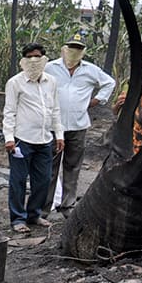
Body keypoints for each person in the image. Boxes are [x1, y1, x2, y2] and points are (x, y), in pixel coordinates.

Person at [43, 32, 115, 213]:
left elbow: (109, 83)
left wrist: (97, 100)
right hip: (53, 125)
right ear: (64, 49)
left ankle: (68, 204)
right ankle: (44, 207)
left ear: (83, 51)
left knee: (72, 166)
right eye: (71, 47)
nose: (74, 51)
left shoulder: (90, 70)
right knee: (50, 167)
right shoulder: (50, 67)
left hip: (78, 125)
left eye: (78, 48)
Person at [2, 43, 64, 233]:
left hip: (44, 140)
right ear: (23, 60)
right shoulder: (15, 83)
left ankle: (34, 214)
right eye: (29, 57)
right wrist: (9, 137)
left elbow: (55, 110)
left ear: (44, 59)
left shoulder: (51, 82)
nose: (33, 61)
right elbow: (9, 111)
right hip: (22, 140)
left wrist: (59, 134)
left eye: (37, 56)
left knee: (44, 180)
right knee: (18, 181)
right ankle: (18, 219)